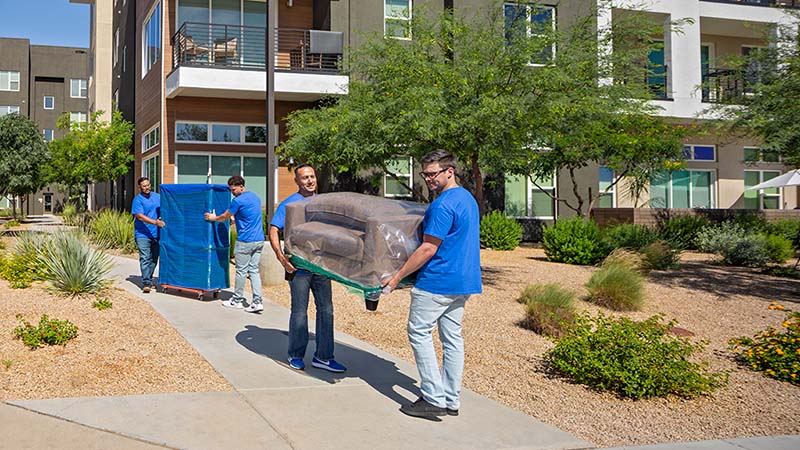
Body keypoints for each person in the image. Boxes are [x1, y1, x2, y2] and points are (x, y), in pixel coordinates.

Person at [383, 150, 482, 420]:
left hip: (437, 281)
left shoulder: (442, 205)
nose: (428, 179)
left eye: (433, 174)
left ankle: (433, 397)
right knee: (452, 339)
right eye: (425, 174)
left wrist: (397, 276)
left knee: (419, 333)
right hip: (463, 282)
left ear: (450, 171)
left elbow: (428, 248)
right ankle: (451, 398)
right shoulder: (468, 199)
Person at [269, 164, 346, 373]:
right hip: (299, 267)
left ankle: (324, 356)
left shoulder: (323, 203)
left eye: (312, 176)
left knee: (326, 310)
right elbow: (274, 230)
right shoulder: (289, 204)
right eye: (304, 178)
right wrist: (281, 258)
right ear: (297, 181)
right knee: (300, 312)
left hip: (321, 266)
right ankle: (295, 354)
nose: (310, 180)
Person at [205, 175, 265, 313]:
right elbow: (244, 215)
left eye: (234, 190)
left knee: (241, 271)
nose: (232, 192)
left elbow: (224, 216)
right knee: (254, 271)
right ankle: (257, 302)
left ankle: (237, 300)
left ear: (241, 186)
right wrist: (234, 219)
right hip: (259, 240)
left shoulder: (237, 201)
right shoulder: (255, 197)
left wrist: (213, 218)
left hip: (245, 241)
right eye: (231, 190)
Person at [132, 177, 165, 293]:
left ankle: (149, 279)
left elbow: (165, 208)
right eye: (144, 186)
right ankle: (146, 282)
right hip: (142, 234)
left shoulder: (157, 197)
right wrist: (155, 222)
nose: (147, 188)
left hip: (156, 234)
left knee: (154, 258)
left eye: (148, 185)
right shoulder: (138, 200)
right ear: (140, 187)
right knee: (145, 257)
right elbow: (139, 216)